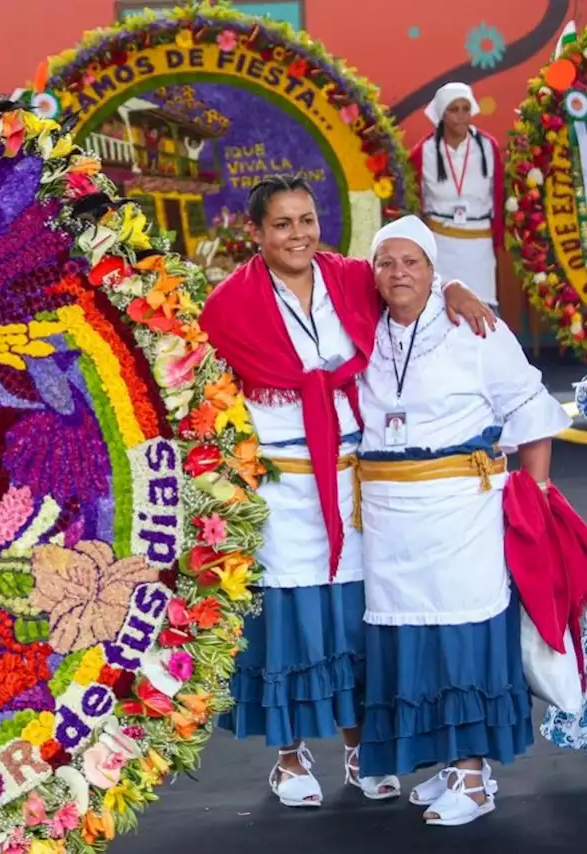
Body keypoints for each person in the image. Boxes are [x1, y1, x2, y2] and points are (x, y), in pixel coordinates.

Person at [200, 175, 495, 809]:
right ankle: (289, 755)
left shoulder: (349, 277)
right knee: (295, 625)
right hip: (280, 489)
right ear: (255, 232)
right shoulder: (227, 305)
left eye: (306, 219)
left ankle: (364, 747)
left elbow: (405, 275)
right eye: (282, 224)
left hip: (356, 482)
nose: (298, 233)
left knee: (358, 620)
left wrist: (458, 287)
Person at [355, 215, 571, 826]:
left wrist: (539, 492)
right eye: (387, 262)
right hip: (390, 522)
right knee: (411, 640)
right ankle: (446, 764)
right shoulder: (365, 331)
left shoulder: (475, 329)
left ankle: (474, 776)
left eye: (412, 262)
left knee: (463, 638)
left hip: (460, 514)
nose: (399, 273)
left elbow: (529, 407)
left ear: (433, 269)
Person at [408, 83, 505, 307]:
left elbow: (498, 195)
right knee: (440, 305)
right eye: (454, 110)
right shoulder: (425, 151)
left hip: (478, 244)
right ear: (442, 114)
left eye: (466, 109)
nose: (461, 116)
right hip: (440, 243)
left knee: (483, 306)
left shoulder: (487, 147)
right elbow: (413, 198)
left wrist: (499, 238)